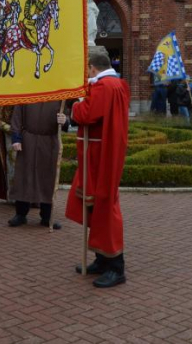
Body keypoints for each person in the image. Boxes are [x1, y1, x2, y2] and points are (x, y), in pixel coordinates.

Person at [65, 49, 130, 288]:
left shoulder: (104, 87)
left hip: (99, 158)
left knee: (105, 205)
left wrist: (76, 104)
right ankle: (102, 258)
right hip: (101, 154)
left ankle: (116, 265)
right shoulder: (117, 84)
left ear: (92, 68)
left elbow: (88, 114)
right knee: (96, 205)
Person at [7, 101, 69, 229]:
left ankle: (47, 216)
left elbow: (68, 116)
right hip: (28, 140)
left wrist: (65, 121)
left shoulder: (59, 96)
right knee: (24, 176)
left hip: (49, 142)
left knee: (47, 179)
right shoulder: (29, 91)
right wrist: (16, 138)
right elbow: (17, 115)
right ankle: (21, 214)